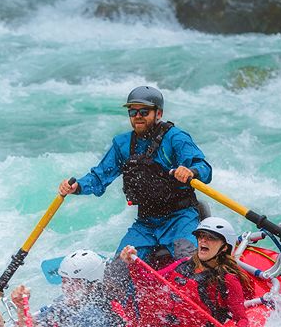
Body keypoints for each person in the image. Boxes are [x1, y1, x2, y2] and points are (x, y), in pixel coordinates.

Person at [56, 85, 213, 264]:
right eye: (133, 112)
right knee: (118, 271)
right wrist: (77, 187)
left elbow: (205, 169)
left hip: (180, 219)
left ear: (158, 114)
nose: (138, 116)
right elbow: (99, 177)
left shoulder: (176, 138)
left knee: (190, 266)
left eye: (144, 111)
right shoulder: (122, 144)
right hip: (146, 224)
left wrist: (191, 171)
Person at [119, 216, 252, 327]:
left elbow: (242, 319)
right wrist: (133, 264)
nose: (203, 241)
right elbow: (148, 281)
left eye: (211, 238)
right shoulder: (184, 264)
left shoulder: (228, 280)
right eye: (201, 236)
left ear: (224, 247)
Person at [10, 249, 123, 327]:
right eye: (64, 281)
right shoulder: (65, 303)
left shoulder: (94, 313)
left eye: (74, 282)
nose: (65, 288)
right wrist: (21, 308)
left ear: (92, 285)